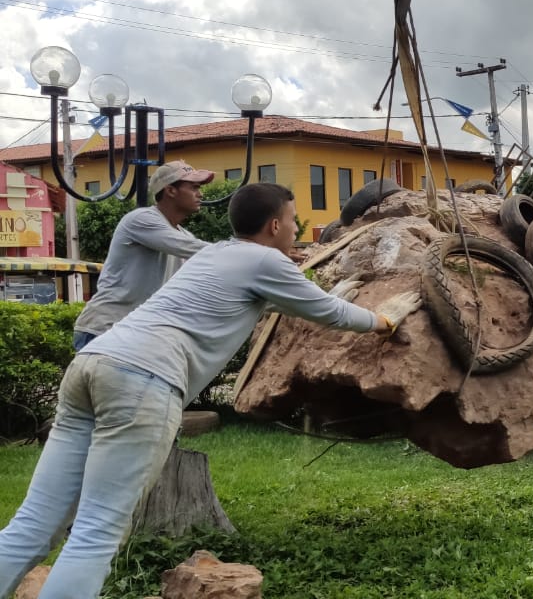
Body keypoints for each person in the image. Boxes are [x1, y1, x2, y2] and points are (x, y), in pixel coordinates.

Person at [0, 183, 421, 598]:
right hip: (142, 380)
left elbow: (288, 301)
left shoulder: (217, 253)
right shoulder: (263, 262)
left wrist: (335, 296)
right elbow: (326, 311)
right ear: (275, 225)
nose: (295, 230)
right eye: (293, 221)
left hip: (93, 365)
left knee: (35, 521)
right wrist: (382, 320)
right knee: (98, 530)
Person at [72, 160, 217, 351]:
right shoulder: (142, 220)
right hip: (105, 330)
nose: (200, 194)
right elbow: (200, 250)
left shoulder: (183, 235)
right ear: (170, 191)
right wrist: (249, 252)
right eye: (194, 187)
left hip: (138, 335)